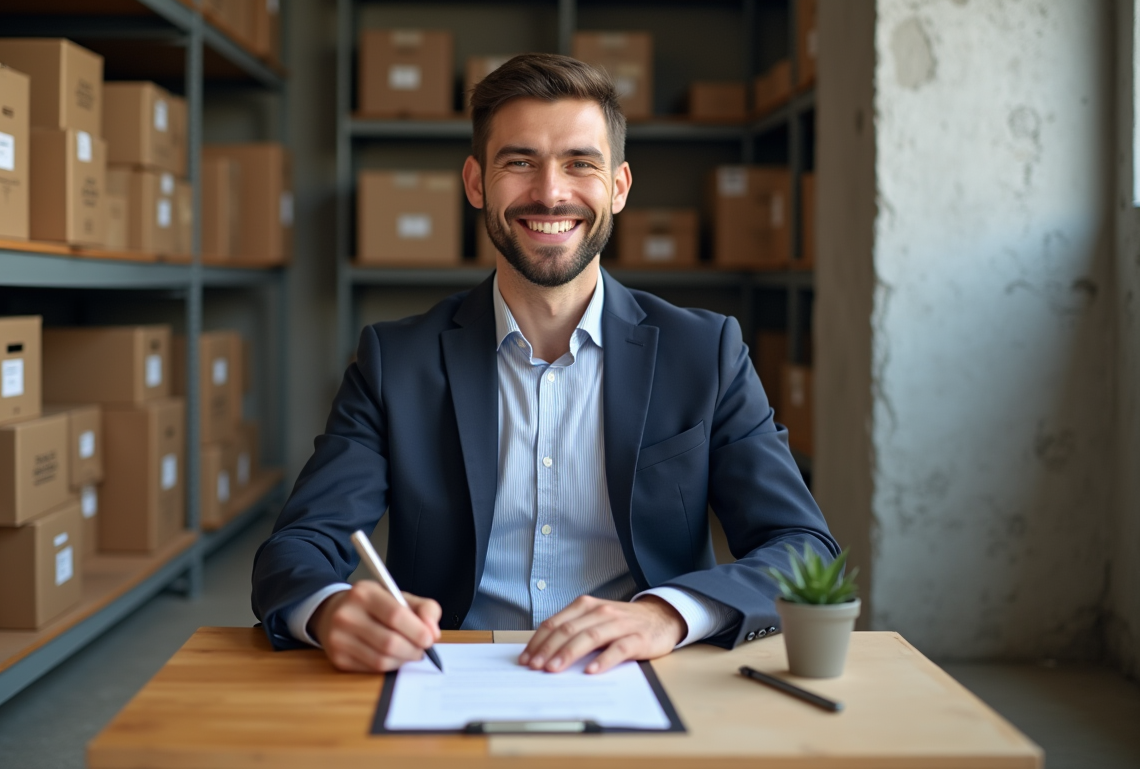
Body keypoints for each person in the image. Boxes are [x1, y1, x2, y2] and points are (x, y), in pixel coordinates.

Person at [251, 53, 837, 675]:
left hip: (644, 674)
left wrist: (668, 613)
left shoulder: (706, 352)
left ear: (618, 186)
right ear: (477, 183)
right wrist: (329, 609)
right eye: (520, 162)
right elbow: (297, 546)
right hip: (444, 677)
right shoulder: (395, 360)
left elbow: (804, 550)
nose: (551, 192)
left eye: (580, 163)